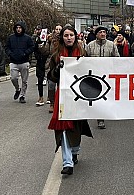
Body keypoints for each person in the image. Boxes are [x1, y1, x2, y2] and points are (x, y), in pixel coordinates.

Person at [47, 26, 93, 175]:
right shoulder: (56, 54)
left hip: (79, 94)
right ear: (62, 37)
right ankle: (67, 162)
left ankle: (74, 151)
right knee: (64, 126)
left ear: (75, 37)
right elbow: (51, 77)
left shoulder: (83, 53)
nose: (68, 38)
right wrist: (57, 70)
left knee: (76, 126)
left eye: (71, 35)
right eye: (66, 35)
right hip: (63, 95)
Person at [86, 26, 119, 129]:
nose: (103, 34)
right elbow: (84, 60)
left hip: (108, 75)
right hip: (95, 76)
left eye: (104, 32)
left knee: (107, 96)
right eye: (100, 32)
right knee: (98, 97)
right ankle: (100, 118)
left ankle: (108, 112)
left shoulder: (111, 45)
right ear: (96, 34)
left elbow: (117, 59)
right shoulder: (90, 46)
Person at [5, 21, 35, 104]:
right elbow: (6, 47)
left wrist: (25, 53)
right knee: (13, 78)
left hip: (24, 61)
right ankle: (17, 89)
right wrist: (10, 54)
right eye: (17, 28)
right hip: (13, 61)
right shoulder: (11, 38)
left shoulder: (27, 38)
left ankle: (22, 95)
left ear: (22, 29)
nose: (18, 29)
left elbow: (32, 47)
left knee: (24, 80)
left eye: (20, 28)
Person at [46, 24, 62, 113]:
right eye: (57, 29)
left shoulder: (64, 40)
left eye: (60, 29)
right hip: (51, 65)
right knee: (51, 85)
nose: (58, 31)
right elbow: (45, 52)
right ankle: (52, 103)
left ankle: (59, 103)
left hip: (61, 65)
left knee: (61, 85)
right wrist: (44, 43)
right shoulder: (50, 40)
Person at [33, 25, 50, 106]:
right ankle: (40, 97)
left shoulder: (49, 40)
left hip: (48, 61)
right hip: (40, 62)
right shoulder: (36, 39)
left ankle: (50, 97)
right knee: (40, 79)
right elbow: (34, 49)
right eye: (37, 29)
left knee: (50, 80)